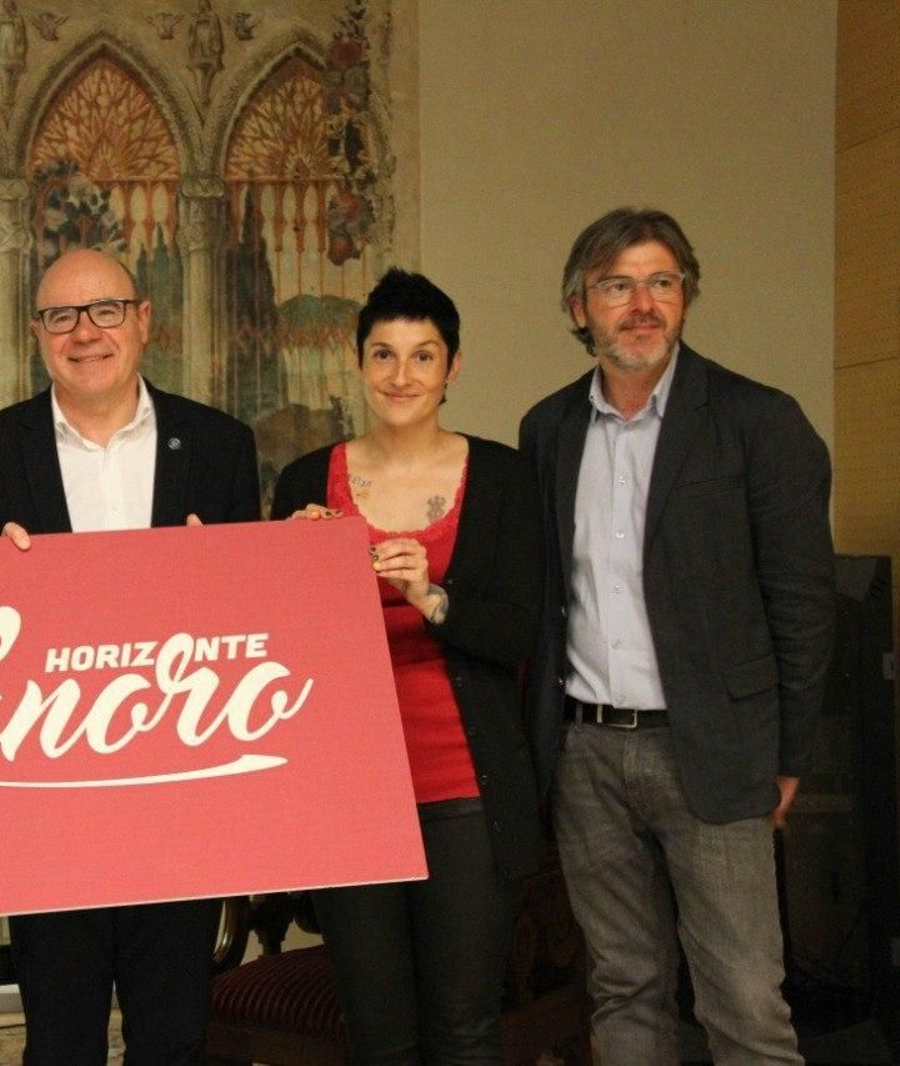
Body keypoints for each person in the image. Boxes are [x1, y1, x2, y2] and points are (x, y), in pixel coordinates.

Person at [519, 207, 835, 1064]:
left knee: (744, 1002)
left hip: (716, 750)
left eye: (662, 282)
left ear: (686, 296)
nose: (643, 304)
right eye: (617, 286)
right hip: (586, 755)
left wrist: (789, 756)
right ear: (579, 307)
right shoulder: (548, 430)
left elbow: (804, 605)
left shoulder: (759, 421)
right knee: (623, 991)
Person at [0, 247, 260, 1065]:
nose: (85, 333)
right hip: (46, 803)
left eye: (106, 310)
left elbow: (256, 630)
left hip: (180, 792)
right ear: (36, 333)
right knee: (61, 1042)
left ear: (143, 321)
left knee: (173, 1039)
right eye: (61, 316)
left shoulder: (219, 447)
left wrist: (218, 587)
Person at [272, 268, 543, 1063]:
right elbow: (280, 653)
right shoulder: (304, 481)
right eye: (384, 355)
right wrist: (296, 570)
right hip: (348, 791)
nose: (401, 375)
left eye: (423, 356)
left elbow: (521, 631)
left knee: (464, 1025)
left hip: (465, 787)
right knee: (378, 1034)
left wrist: (432, 597)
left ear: (452, 367)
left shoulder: (503, 478)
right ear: (358, 362)